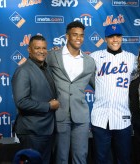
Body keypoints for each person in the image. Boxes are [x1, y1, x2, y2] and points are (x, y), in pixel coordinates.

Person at [46, 21, 96, 164]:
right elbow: (38, 73)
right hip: (59, 114)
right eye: (75, 35)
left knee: (80, 157)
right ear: (67, 36)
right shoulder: (52, 56)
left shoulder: (89, 61)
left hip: (81, 116)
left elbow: (98, 86)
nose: (78, 38)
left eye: (81, 35)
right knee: (60, 157)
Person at [89, 24, 137, 164]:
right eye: (111, 36)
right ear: (105, 39)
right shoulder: (95, 57)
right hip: (100, 118)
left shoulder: (131, 58)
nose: (114, 39)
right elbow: (76, 65)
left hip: (122, 118)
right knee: (101, 159)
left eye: (117, 36)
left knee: (124, 159)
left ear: (122, 38)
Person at [11, 35, 60, 164]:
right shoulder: (23, 71)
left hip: (46, 129)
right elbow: (21, 102)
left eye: (44, 48)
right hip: (32, 131)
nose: (41, 51)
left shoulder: (45, 68)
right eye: (37, 48)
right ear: (29, 49)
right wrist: (48, 106)